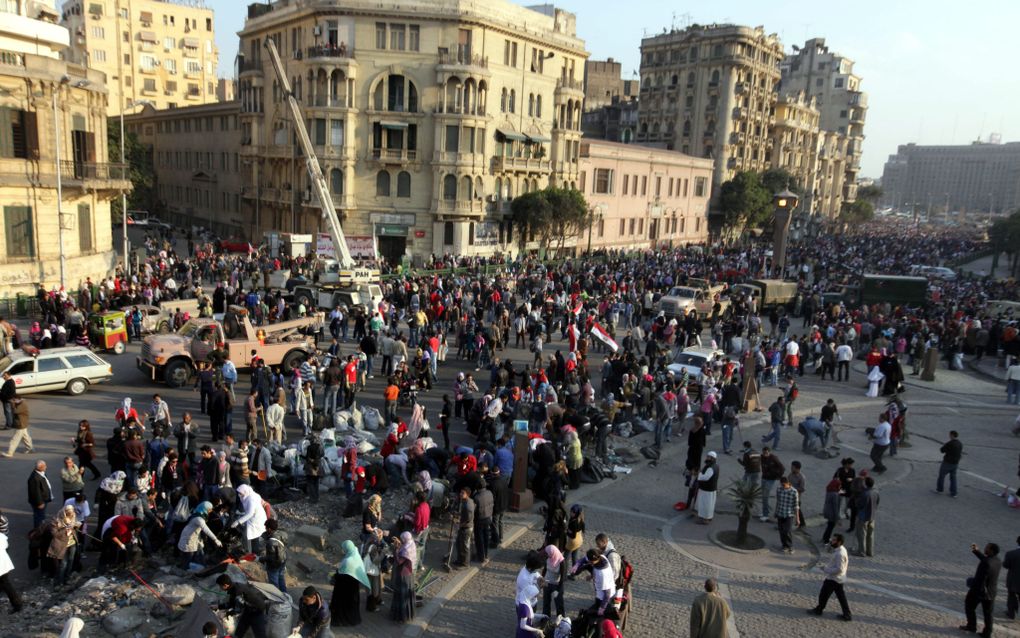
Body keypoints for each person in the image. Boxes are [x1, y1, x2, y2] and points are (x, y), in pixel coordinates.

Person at [807, 533, 852, 621]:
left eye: (834, 540)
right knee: (841, 597)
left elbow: (839, 569)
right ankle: (847, 614)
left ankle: (819, 610)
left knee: (823, 594)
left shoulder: (840, 554)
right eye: (832, 539)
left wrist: (826, 569)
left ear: (839, 542)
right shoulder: (840, 549)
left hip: (834, 579)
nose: (832, 540)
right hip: (839, 579)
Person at [961, 543, 1001, 638]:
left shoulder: (986, 563)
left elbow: (980, 580)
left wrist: (971, 584)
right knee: (988, 614)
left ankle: (971, 626)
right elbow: (986, 560)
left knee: (969, 606)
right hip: (992, 592)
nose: (985, 549)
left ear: (991, 550)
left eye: (986, 548)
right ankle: (987, 633)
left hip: (979, 592)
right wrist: (976, 551)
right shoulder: (997, 561)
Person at [329, 539, 369, 627]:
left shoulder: (348, 561)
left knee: (343, 604)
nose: (342, 550)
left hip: (345, 588)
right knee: (351, 604)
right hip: (353, 586)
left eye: (343, 548)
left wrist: (335, 575)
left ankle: (342, 620)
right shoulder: (355, 552)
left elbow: (343, 575)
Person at [178, 501, 221, 568]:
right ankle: (184, 570)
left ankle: (201, 567)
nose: (210, 511)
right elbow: (206, 529)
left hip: (194, 538)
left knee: (199, 553)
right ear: (204, 509)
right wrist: (215, 539)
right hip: (188, 538)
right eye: (209, 509)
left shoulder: (197, 513)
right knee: (188, 557)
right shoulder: (199, 518)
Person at [48, 504, 81, 587]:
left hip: (72, 543)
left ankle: (67, 578)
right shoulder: (56, 520)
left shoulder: (73, 517)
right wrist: (65, 531)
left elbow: (74, 527)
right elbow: (54, 534)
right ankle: (58, 582)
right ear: (64, 513)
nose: (71, 515)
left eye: (72, 513)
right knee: (63, 564)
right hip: (62, 545)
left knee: (70, 561)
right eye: (69, 514)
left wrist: (76, 526)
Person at [390, 531, 416, 623]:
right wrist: (400, 544)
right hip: (409, 573)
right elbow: (404, 546)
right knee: (408, 593)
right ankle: (409, 613)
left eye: (402, 539)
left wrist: (395, 550)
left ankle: (402, 616)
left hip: (403, 574)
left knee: (402, 595)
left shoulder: (405, 550)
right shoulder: (411, 543)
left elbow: (399, 561)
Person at [852, 476, 878, 557]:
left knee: (862, 534)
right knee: (870, 535)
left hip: (863, 517)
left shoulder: (864, 494)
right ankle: (870, 551)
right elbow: (877, 503)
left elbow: (859, 505)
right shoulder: (876, 492)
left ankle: (861, 551)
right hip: (872, 516)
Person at [451, 487, 474, 568]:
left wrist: (459, 524)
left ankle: (465, 563)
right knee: (459, 544)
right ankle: (460, 560)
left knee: (465, 546)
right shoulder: (464, 501)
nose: (460, 494)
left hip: (466, 528)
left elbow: (468, 519)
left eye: (463, 493)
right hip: (462, 526)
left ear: (467, 494)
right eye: (460, 492)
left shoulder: (468, 505)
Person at [775, 476, 799, 554]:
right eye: (782, 485)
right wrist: (776, 512)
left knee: (787, 531)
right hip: (780, 513)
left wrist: (797, 518)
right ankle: (784, 545)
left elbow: (796, 506)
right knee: (781, 530)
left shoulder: (794, 491)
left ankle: (790, 546)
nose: (783, 486)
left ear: (788, 483)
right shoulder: (779, 489)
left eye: (784, 485)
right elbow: (778, 501)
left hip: (789, 514)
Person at [759, 447, 784, 521]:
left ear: (769, 452)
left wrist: (778, 477)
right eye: (764, 453)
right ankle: (765, 511)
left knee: (765, 496)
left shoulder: (773, 458)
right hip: (764, 477)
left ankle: (766, 514)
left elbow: (782, 468)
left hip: (771, 479)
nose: (765, 454)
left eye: (766, 453)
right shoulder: (762, 457)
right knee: (763, 495)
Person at [0, 531, 22, 613]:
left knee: (6, 586)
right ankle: (17, 604)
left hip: (2, 567)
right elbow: (6, 546)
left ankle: (17, 604)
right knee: (6, 585)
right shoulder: (1, 536)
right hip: (5, 565)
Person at [935, 430, 962, 498]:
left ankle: (940, 489)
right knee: (953, 478)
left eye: (950, 435)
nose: (949, 436)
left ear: (952, 435)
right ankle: (954, 493)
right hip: (955, 463)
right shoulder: (960, 443)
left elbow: (942, 450)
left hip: (947, 462)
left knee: (941, 476)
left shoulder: (950, 443)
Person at [696, 451, 719, 524]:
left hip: (707, 489)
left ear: (712, 458)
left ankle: (705, 519)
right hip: (711, 488)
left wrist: (699, 474)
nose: (706, 458)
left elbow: (705, 477)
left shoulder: (711, 468)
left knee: (705, 504)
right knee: (709, 504)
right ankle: (708, 517)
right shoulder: (715, 466)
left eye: (708, 457)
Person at [27, 460, 52, 528]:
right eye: (45, 466)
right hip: (39, 502)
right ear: (41, 467)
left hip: (43, 500)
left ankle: (40, 530)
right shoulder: (35, 478)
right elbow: (35, 492)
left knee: (41, 516)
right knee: (39, 517)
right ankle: (38, 531)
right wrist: (40, 503)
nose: (46, 467)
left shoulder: (41, 473)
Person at [1003, 536, 1020, 620]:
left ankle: (1011, 613)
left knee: (1011, 595)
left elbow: (1006, 565)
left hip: (1013, 580)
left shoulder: (1011, 553)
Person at [821, 479, 842, 544]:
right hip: (832, 513)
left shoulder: (829, 491)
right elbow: (835, 507)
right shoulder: (835, 494)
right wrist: (837, 517)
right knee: (831, 527)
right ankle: (826, 540)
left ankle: (825, 537)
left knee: (829, 525)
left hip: (827, 510)